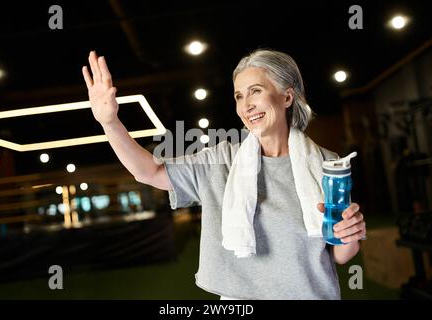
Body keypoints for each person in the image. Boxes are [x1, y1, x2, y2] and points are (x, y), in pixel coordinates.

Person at [82, 49, 367, 300]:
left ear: (287, 96)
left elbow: (339, 255)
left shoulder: (326, 163)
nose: (246, 105)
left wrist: (350, 233)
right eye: (239, 96)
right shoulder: (220, 160)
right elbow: (149, 172)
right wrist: (110, 122)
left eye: (255, 91)